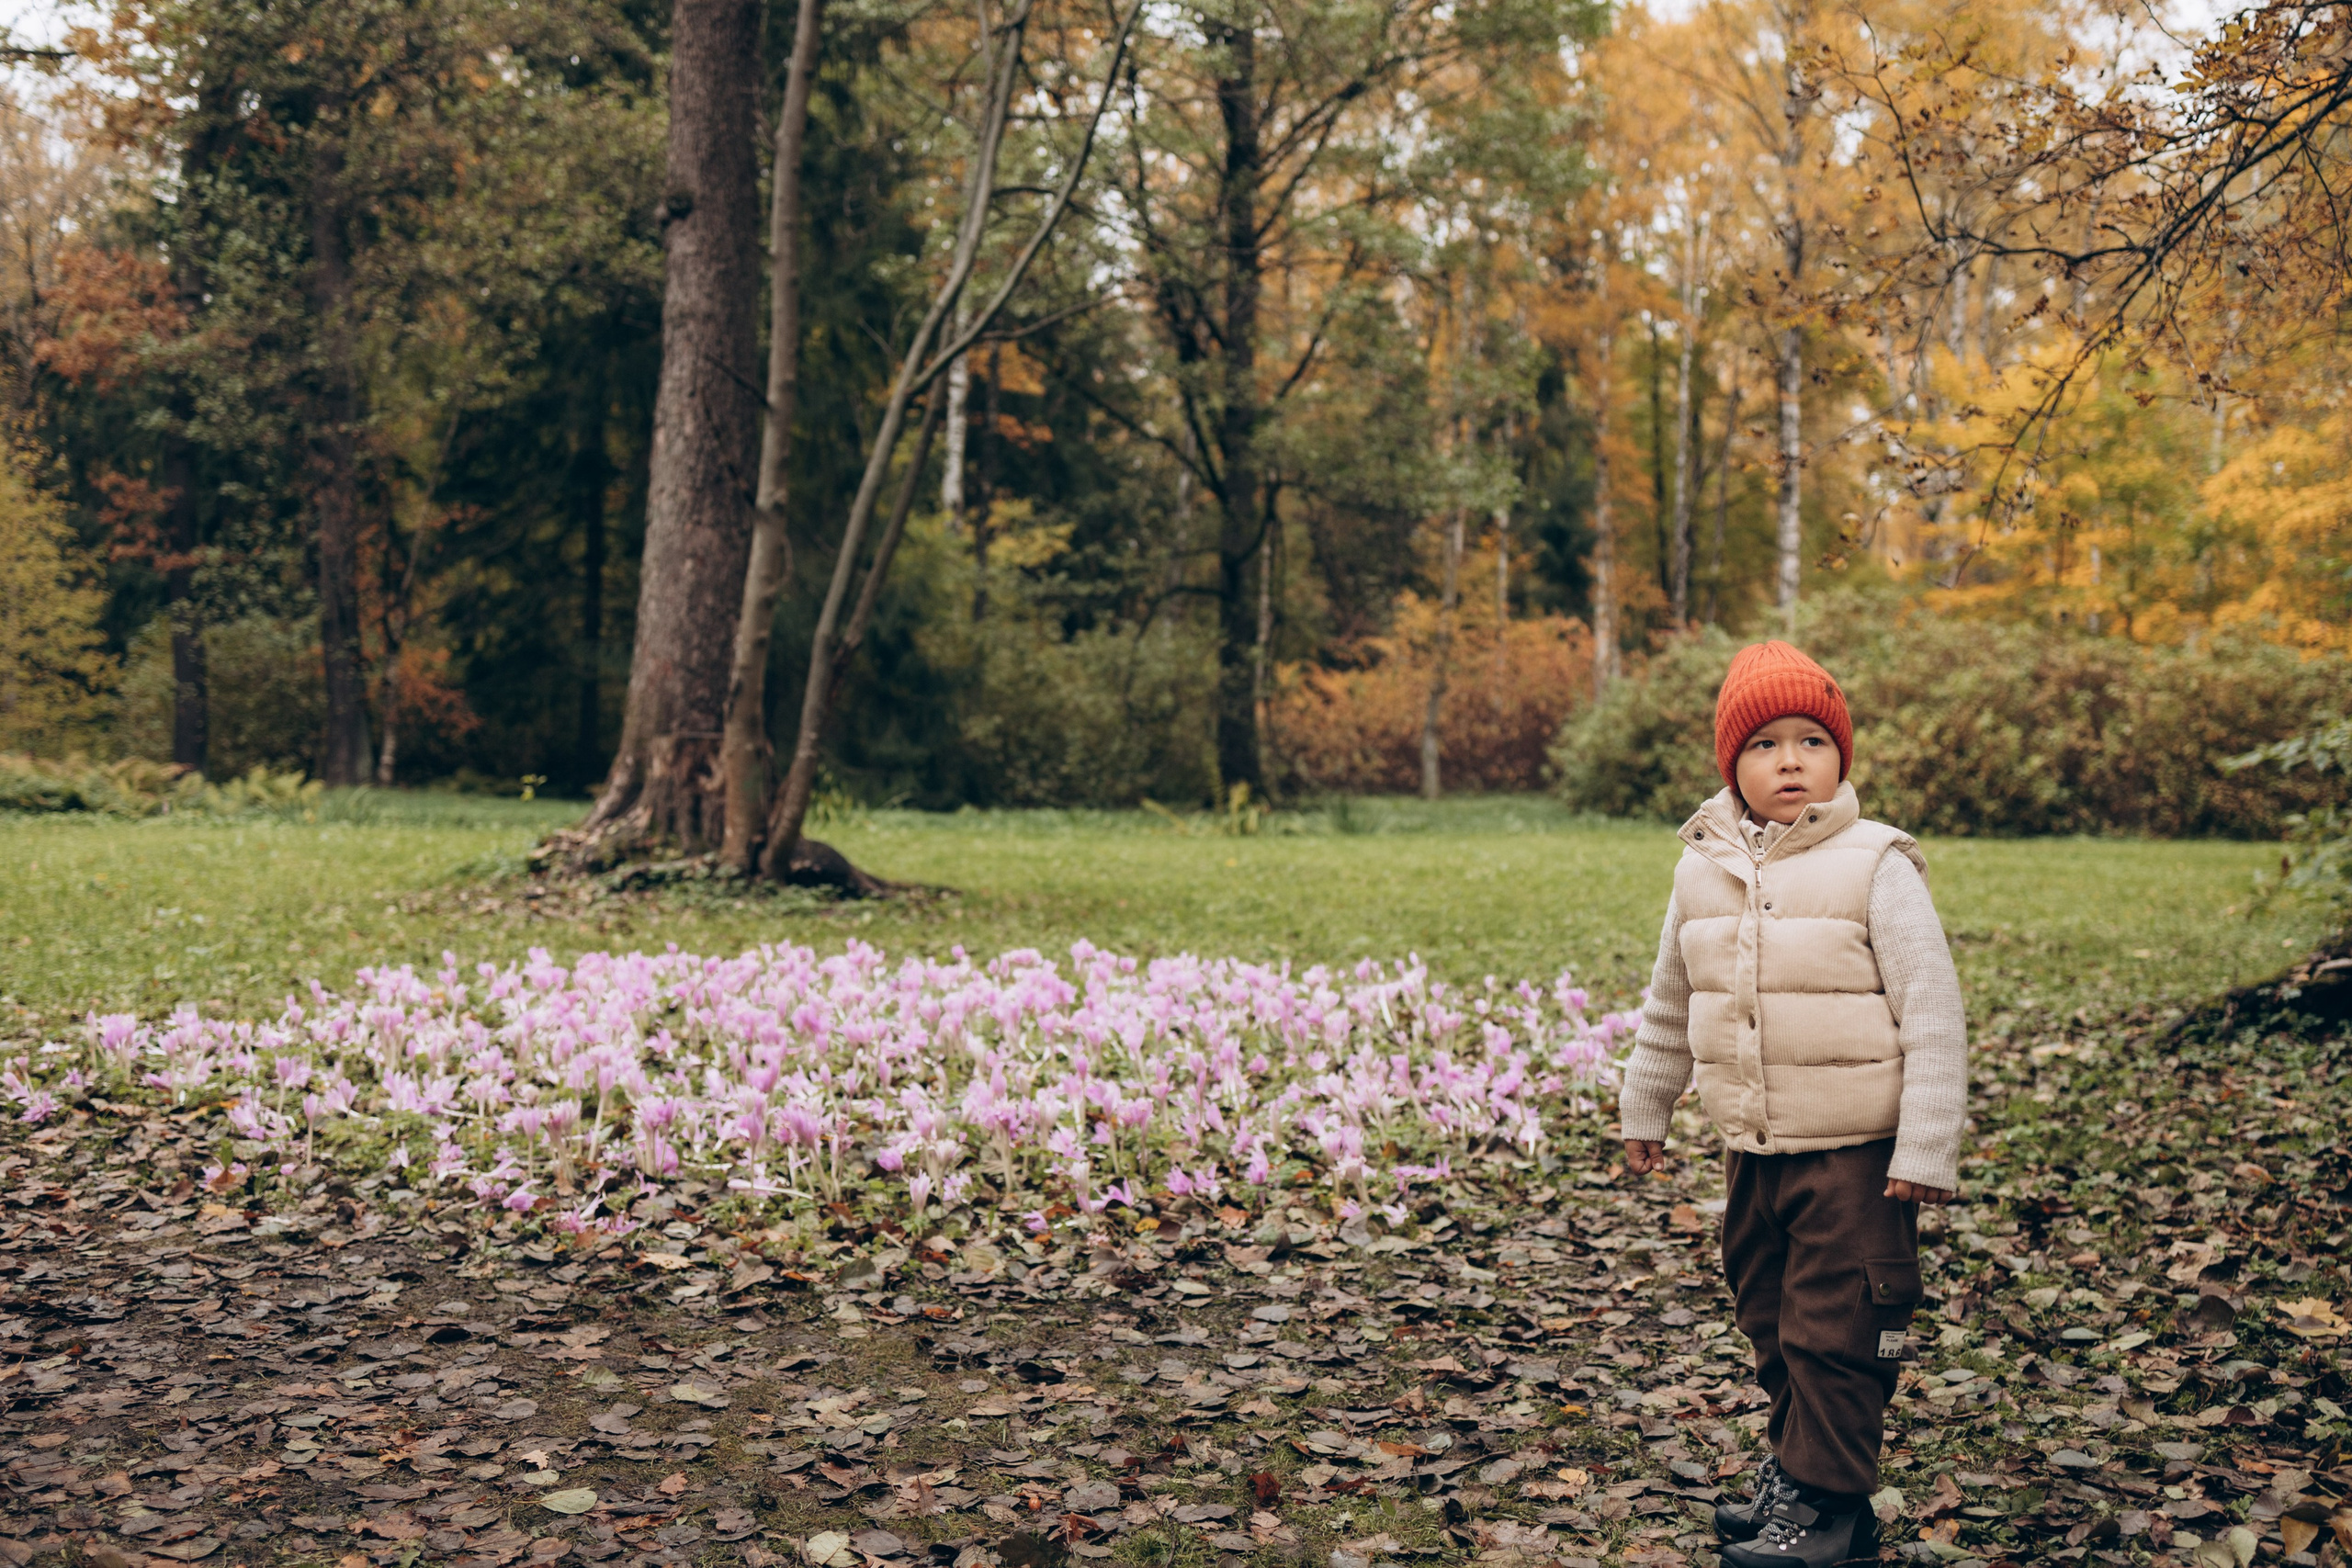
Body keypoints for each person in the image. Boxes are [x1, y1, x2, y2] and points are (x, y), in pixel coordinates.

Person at [1616, 639, 1967, 1567]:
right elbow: (1670, 998)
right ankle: (1797, 1468)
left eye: (1812, 740)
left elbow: (1931, 1009)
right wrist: (1645, 1106)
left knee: (1840, 1326)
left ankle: (1830, 1509)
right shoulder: (1701, 867)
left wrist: (1924, 1146)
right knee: (1770, 1315)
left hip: (1856, 1157)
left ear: (1841, 756)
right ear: (1731, 762)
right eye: (1765, 743)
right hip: (1754, 1148)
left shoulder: (1873, 863)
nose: (1789, 760)